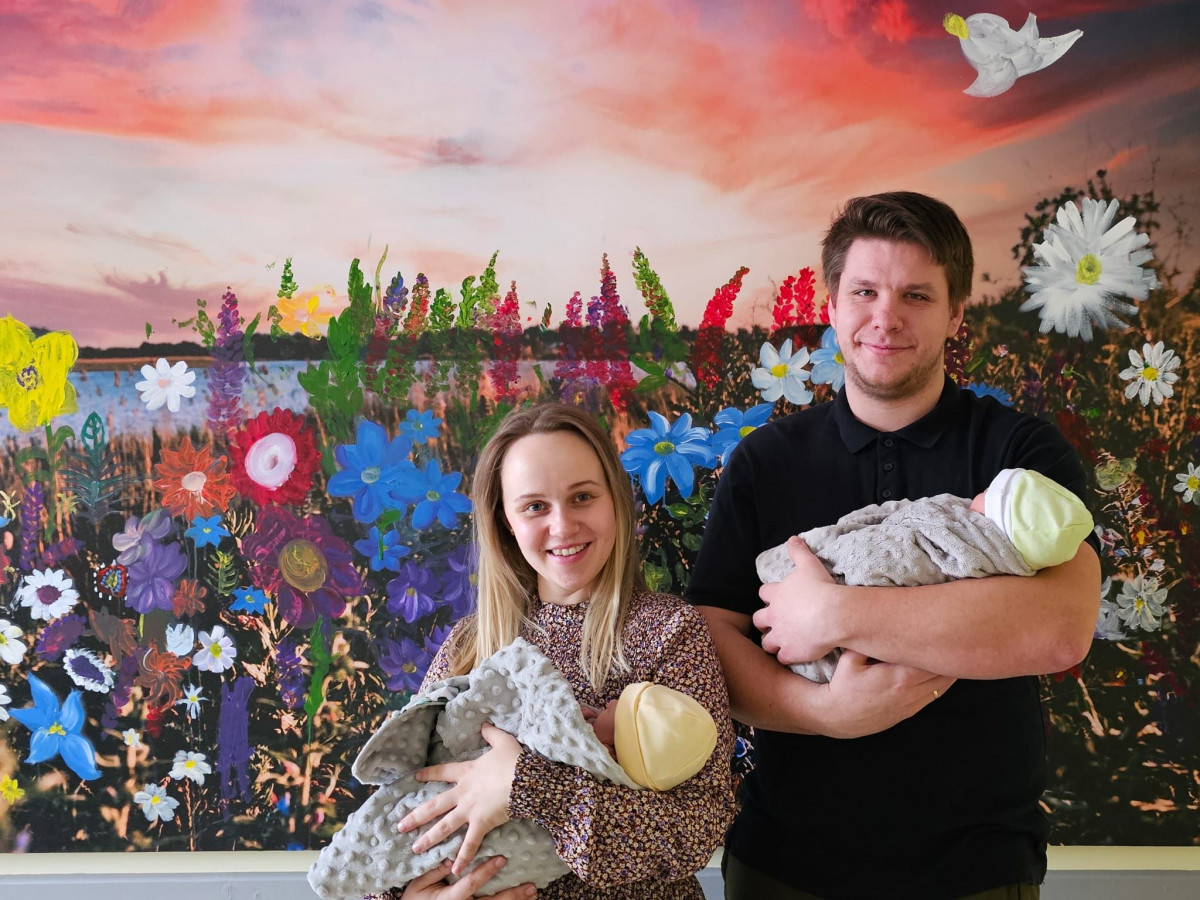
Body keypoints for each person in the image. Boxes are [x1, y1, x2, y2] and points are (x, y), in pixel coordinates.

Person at [687, 191, 1100, 900]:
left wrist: (833, 614)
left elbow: (1060, 628)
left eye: (916, 295)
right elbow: (711, 638)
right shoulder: (764, 461)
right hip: (784, 863)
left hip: (976, 867)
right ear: (832, 304)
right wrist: (822, 713)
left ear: (956, 313)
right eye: (865, 292)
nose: (886, 317)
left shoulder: (1020, 455)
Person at [380, 401, 737, 900]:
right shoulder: (469, 645)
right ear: (505, 520)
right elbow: (399, 805)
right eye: (534, 506)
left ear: (615, 501)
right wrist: (402, 897)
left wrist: (526, 785)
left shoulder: (670, 633)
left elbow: (698, 826)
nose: (563, 526)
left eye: (582, 497)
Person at [756, 467, 1094, 683]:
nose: (976, 496)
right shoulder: (760, 458)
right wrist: (814, 711)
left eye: (988, 494)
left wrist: (827, 611)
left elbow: (1061, 635)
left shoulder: (1027, 447)